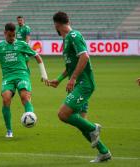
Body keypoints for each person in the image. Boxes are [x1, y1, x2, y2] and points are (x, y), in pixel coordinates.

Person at [46, 12, 111, 163]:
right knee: (81, 123)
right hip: (79, 84)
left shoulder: (73, 36)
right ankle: (104, 152)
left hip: (84, 84)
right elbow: (71, 66)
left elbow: (85, 57)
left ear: (56, 24)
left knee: (63, 114)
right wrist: (60, 79)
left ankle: (93, 128)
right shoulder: (67, 39)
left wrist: (73, 79)